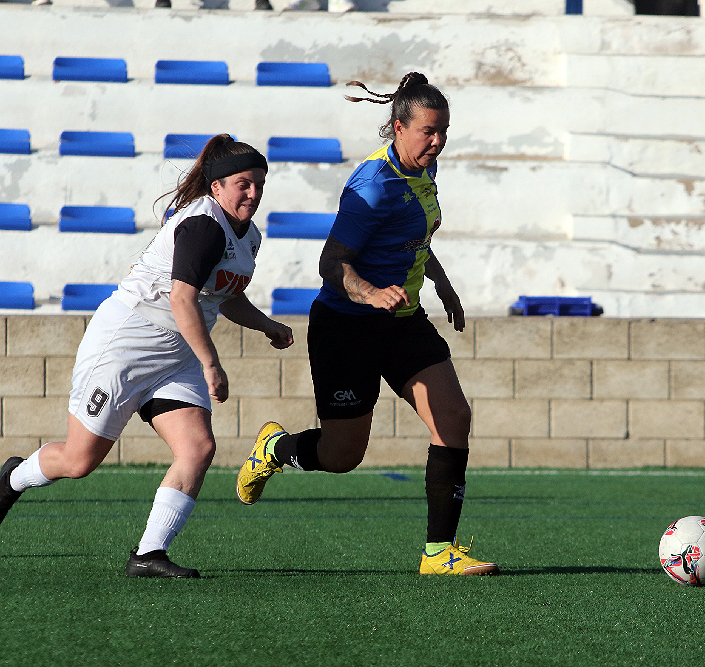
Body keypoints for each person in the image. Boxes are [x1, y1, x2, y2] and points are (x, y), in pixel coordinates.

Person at [236, 72, 498, 576]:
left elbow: (413, 236)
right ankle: (276, 447)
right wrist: (371, 292)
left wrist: (442, 286)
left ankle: (438, 552)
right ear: (398, 127)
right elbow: (331, 264)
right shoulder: (372, 185)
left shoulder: (426, 171)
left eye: (443, 130)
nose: (438, 141)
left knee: (453, 417)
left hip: (402, 322)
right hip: (347, 326)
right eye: (428, 131)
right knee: (341, 456)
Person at [0, 134, 293, 578]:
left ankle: (149, 554)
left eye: (258, 183)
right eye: (242, 184)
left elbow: (225, 295)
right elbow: (181, 299)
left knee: (197, 447)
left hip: (175, 355)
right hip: (127, 345)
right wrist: (211, 363)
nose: (252, 192)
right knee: (79, 462)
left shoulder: (248, 234)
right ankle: (11, 480)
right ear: (216, 186)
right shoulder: (204, 225)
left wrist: (267, 324)